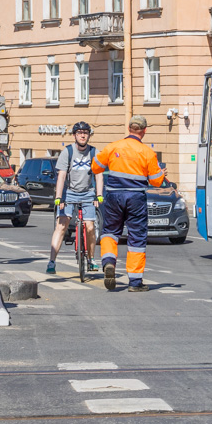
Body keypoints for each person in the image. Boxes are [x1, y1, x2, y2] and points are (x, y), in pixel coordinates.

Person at [92, 115, 166, 292]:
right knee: (136, 237)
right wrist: (161, 173)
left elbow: (95, 167)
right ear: (144, 131)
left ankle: (109, 262)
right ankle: (134, 282)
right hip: (135, 198)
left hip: (114, 196)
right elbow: (156, 181)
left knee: (110, 231)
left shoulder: (113, 147)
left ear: (129, 128)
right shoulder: (148, 152)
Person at [46, 121, 103, 275]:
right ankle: (52, 261)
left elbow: (98, 175)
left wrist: (99, 195)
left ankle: (91, 259)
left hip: (87, 193)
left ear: (89, 135)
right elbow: (62, 176)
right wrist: (59, 197)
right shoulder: (67, 152)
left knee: (90, 226)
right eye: (79, 133)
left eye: (85, 133)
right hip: (69, 192)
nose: (83, 135)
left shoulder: (94, 152)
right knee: (62, 225)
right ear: (74, 135)